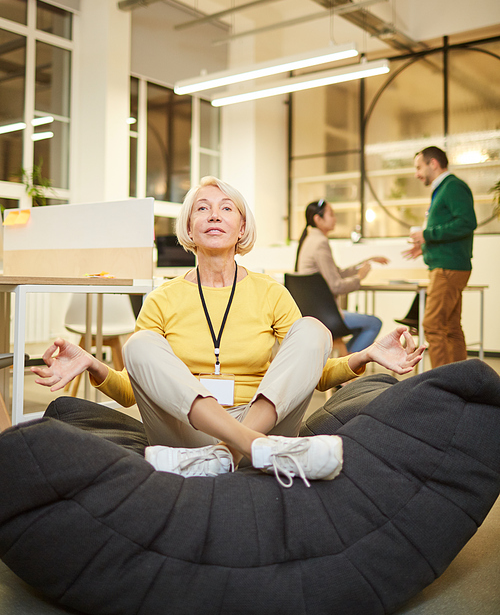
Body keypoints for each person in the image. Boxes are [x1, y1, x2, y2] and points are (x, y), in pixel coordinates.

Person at [33, 177, 424, 488]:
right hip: (184, 429)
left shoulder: (271, 292)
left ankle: (231, 450)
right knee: (140, 344)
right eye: (202, 208)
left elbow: (312, 373)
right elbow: (136, 389)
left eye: (226, 208)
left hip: (262, 418)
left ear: (241, 228)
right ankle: (251, 449)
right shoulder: (163, 297)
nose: (214, 215)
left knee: (313, 330)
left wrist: (365, 354)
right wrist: (93, 365)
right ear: (189, 227)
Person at [402, 146, 477, 368]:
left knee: (432, 325)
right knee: (450, 327)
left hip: (447, 268)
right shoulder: (444, 189)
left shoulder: (452, 187)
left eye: (419, 167)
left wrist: (427, 234)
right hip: (449, 265)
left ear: (433, 163)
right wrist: (425, 247)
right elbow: (451, 229)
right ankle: (459, 383)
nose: (417, 174)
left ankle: (442, 387)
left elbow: (466, 222)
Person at [295, 199, 389, 351]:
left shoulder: (310, 240)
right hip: (326, 315)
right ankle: (347, 364)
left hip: (314, 312)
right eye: (331, 214)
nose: (335, 218)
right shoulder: (320, 243)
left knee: (363, 325)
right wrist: (359, 278)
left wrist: (366, 262)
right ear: (318, 219)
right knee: (374, 323)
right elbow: (336, 286)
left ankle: (344, 360)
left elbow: (336, 273)